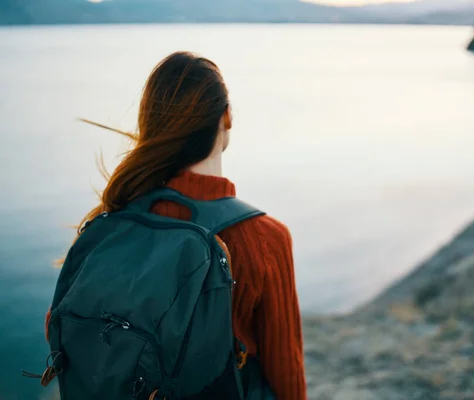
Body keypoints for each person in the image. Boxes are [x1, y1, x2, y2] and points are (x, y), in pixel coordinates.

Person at [44, 51, 306, 399]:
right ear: (227, 117)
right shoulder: (265, 238)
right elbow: (286, 376)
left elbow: (60, 330)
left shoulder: (112, 222)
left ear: (152, 125)